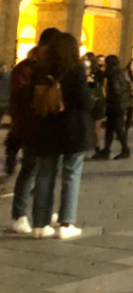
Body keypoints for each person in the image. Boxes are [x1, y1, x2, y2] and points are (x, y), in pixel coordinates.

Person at [28, 31, 93, 239]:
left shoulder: (40, 69)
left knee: (44, 174)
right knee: (71, 174)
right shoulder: (76, 70)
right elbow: (84, 100)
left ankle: (39, 225)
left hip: (47, 126)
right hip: (73, 128)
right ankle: (66, 223)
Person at [7, 29, 58, 234]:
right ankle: (19, 215)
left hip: (49, 126)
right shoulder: (24, 70)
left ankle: (43, 210)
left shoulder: (50, 68)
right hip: (31, 127)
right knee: (29, 170)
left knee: (46, 172)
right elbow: (20, 100)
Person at [97, 55, 131, 160]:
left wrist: (104, 95)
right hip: (119, 104)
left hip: (115, 104)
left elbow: (115, 90)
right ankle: (106, 150)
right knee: (111, 128)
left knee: (117, 128)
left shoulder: (112, 74)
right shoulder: (121, 72)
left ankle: (125, 150)